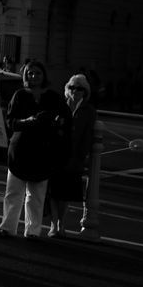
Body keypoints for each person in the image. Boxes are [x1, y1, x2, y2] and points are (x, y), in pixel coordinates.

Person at [0, 60, 69, 239]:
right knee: (14, 192)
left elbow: (65, 118)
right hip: (20, 149)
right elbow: (10, 122)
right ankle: (7, 227)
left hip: (42, 150)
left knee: (36, 195)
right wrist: (27, 121)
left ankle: (33, 230)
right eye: (30, 73)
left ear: (44, 75)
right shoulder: (20, 95)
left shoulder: (53, 97)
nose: (33, 76)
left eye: (37, 73)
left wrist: (56, 123)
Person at [48, 73, 98, 237]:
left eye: (79, 88)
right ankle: (54, 225)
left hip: (74, 157)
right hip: (55, 154)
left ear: (85, 92)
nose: (75, 91)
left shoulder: (88, 110)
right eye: (72, 87)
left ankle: (62, 224)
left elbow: (87, 136)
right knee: (53, 191)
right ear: (67, 89)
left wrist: (82, 157)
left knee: (65, 194)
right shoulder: (60, 105)